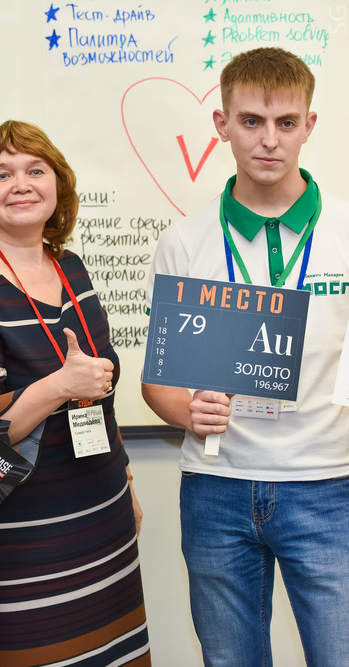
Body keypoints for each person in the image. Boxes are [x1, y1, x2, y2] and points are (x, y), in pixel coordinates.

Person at [142, 47, 349, 667]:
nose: (269, 140)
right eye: (252, 121)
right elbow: (159, 381)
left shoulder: (345, 231)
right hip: (217, 488)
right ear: (222, 124)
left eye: (286, 122)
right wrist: (185, 411)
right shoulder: (185, 240)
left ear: (310, 125)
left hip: (329, 485)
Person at [0, 121, 150, 666]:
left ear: (58, 184)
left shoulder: (71, 267)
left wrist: (125, 476)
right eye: (1, 174)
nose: (21, 184)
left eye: (35, 170)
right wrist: (58, 387)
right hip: (21, 540)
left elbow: (99, 389)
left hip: (102, 514)